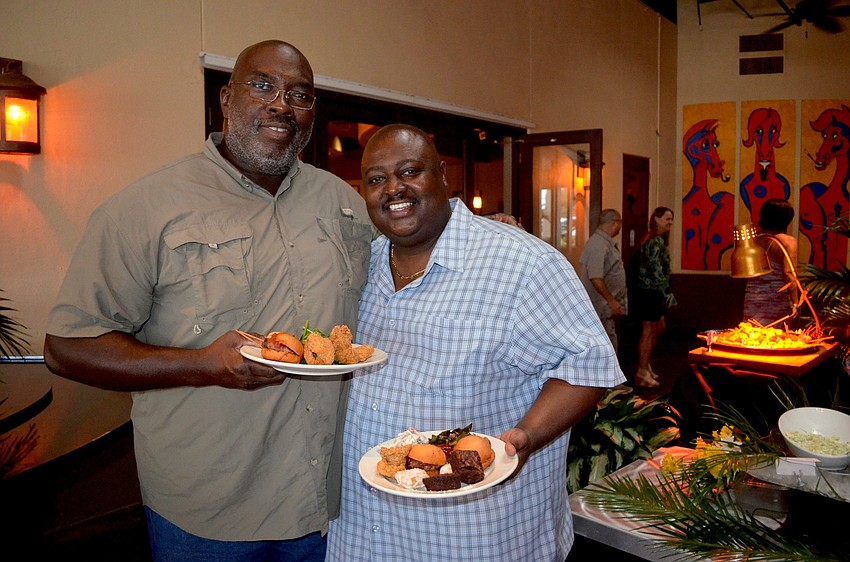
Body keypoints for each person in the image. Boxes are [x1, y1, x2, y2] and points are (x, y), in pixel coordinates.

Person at [43, 40, 374, 561]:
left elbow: (404, 274)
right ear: (226, 98)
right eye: (262, 86)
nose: (282, 104)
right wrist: (201, 365)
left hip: (327, 504)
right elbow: (67, 348)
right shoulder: (144, 209)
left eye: (300, 94)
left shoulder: (343, 202)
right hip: (208, 514)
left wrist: (484, 236)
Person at [325, 124, 625, 562]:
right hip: (366, 529)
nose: (394, 189)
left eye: (410, 171)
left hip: (473, 535)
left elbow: (588, 366)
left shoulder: (522, 263)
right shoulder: (361, 267)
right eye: (376, 179)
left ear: (443, 176)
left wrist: (528, 435)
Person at [631, 206, 675, 388]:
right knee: (648, 330)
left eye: (672, 219)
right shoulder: (655, 241)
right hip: (649, 293)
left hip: (651, 293)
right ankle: (641, 371)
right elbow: (657, 272)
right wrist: (667, 294)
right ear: (656, 220)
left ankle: (645, 364)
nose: (670, 223)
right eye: (667, 219)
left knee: (658, 327)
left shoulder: (655, 240)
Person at [742, 198, 798, 325]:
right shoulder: (788, 242)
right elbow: (789, 273)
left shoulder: (753, 239)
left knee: (752, 337)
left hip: (753, 296)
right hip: (777, 297)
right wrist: (795, 302)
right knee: (775, 339)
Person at [579, 209, 627, 351]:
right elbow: (596, 277)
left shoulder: (604, 243)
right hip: (600, 307)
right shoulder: (598, 245)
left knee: (609, 343)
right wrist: (611, 300)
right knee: (605, 347)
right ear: (614, 223)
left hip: (605, 309)